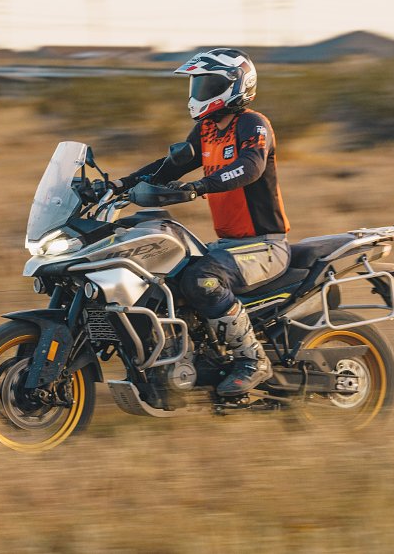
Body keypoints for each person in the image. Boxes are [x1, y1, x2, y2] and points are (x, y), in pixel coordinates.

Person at [112, 48, 291, 396]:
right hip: (229, 246)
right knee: (163, 277)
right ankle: (191, 362)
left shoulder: (253, 124)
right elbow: (168, 168)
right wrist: (119, 185)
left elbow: (251, 167)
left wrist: (199, 187)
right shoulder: (207, 129)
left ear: (235, 85)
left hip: (266, 245)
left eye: (207, 83)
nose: (198, 92)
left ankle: (253, 360)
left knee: (201, 278)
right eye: (197, 83)